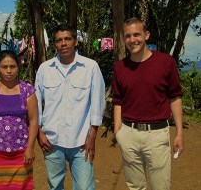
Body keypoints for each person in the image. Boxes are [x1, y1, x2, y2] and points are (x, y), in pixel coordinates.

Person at [112, 18, 184, 190]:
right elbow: (117, 100)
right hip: (128, 133)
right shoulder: (120, 67)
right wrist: (117, 130)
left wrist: (179, 132)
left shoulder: (165, 62)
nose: (132, 40)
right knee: (135, 186)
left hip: (157, 135)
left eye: (136, 34)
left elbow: (175, 97)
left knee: (161, 186)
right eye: (127, 36)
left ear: (146, 35)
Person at [35, 24, 106, 190]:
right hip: (52, 141)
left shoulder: (90, 67)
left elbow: (98, 103)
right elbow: (36, 102)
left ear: (75, 42)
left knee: (84, 187)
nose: (63, 43)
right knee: (55, 185)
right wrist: (39, 132)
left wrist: (92, 136)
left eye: (67, 39)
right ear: (54, 45)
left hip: (81, 141)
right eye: (59, 40)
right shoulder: (45, 69)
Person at [0, 50, 38, 190]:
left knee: (21, 186)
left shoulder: (28, 91)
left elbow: (34, 121)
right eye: (4, 67)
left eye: (13, 66)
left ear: (18, 67)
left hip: (21, 153)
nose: (9, 71)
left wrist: (30, 149)